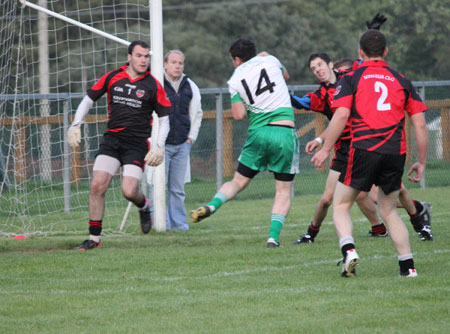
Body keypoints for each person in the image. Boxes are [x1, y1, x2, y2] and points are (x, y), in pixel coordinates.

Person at [312, 29, 428, 277]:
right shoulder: (402, 80)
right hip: (395, 151)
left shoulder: (351, 78)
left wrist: (325, 148)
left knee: (342, 204)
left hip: (363, 148)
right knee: (388, 211)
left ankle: (349, 251)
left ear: (360, 53)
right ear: (385, 52)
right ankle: (408, 268)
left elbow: (341, 115)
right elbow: (419, 123)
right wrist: (422, 161)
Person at [190, 38, 300, 248]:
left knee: (239, 181)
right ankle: (272, 238)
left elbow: (239, 115)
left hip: (258, 133)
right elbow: (285, 76)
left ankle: (212, 207)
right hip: (284, 131)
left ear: (237, 60)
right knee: (283, 190)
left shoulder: (235, 78)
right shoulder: (270, 60)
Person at [67, 40, 172, 250]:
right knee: (97, 185)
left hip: (136, 144)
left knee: (128, 190)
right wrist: (75, 124)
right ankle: (94, 239)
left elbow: (165, 118)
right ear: (129, 57)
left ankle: (144, 205)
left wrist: (159, 145)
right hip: (112, 140)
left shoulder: (153, 84)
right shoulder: (113, 76)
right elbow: (88, 100)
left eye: (146, 56)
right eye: (139, 56)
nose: (144, 60)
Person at [290, 53, 388, 245]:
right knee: (327, 198)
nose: (318, 70)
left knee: (376, 196)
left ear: (330, 64)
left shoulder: (350, 78)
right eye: (313, 68)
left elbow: (369, 60)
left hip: (364, 144)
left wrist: (373, 32)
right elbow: (301, 103)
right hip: (343, 149)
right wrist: (276, 92)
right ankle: (311, 234)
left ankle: (416, 213)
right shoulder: (320, 95)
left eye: (320, 65)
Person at [335, 59, 433, 241]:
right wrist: (322, 140)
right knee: (363, 196)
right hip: (353, 148)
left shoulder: (358, 79)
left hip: (371, 145)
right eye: (338, 72)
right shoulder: (340, 86)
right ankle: (390, 229)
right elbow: (337, 119)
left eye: (343, 71)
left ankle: (419, 216)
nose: (341, 74)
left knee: (390, 193)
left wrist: (324, 147)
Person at [160, 50, 203, 230]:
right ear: (165, 64)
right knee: (158, 186)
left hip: (181, 144)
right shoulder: (156, 83)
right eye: (173, 62)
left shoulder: (190, 85)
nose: (177, 66)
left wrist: (190, 139)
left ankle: (178, 225)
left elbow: (197, 114)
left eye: (180, 63)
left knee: (177, 189)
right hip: (160, 146)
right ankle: (160, 223)